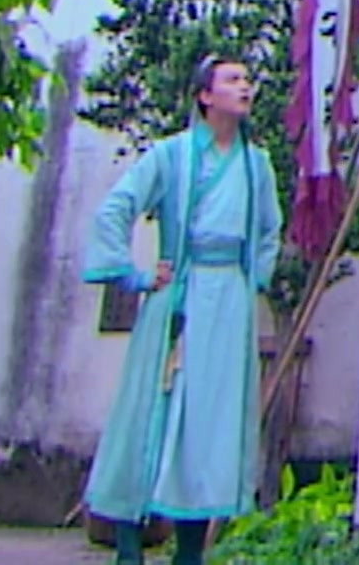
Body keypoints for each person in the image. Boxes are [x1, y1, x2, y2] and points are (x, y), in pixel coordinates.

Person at [81, 54, 283, 564]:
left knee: (209, 424)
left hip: (228, 303)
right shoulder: (171, 156)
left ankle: (190, 551)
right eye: (232, 80)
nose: (245, 87)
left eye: (247, 80)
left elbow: (268, 230)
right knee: (149, 413)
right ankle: (129, 544)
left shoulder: (256, 164)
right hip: (180, 296)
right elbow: (116, 207)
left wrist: (253, 281)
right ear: (205, 95)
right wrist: (135, 275)